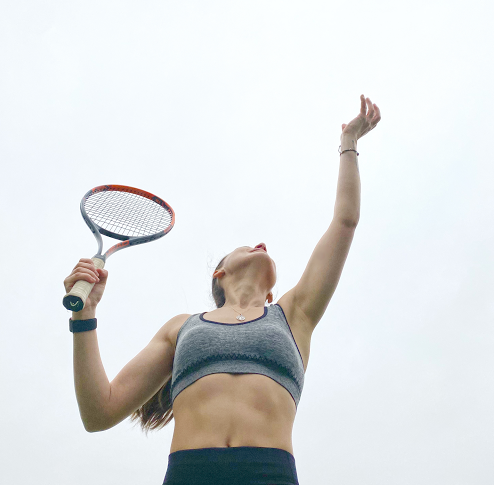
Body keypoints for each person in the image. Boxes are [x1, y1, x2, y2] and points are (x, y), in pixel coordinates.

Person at [63, 95, 381, 485]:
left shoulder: (293, 314)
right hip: (189, 473)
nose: (260, 243)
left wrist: (348, 144)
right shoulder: (181, 327)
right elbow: (99, 412)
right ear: (220, 273)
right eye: (246, 245)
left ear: (271, 294)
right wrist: (85, 315)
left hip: (271, 473)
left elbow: (345, 222)